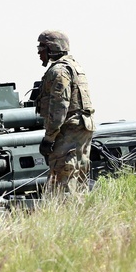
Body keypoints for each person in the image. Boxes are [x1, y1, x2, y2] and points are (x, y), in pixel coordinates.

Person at [34, 30, 95, 195]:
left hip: (67, 131)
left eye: (42, 49)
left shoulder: (59, 71)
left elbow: (59, 108)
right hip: (80, 129)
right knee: (79, 177)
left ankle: (64, 215)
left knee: (62, 180)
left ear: (52, 48)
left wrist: (49, 138)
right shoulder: (74, 66)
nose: (39, 54)